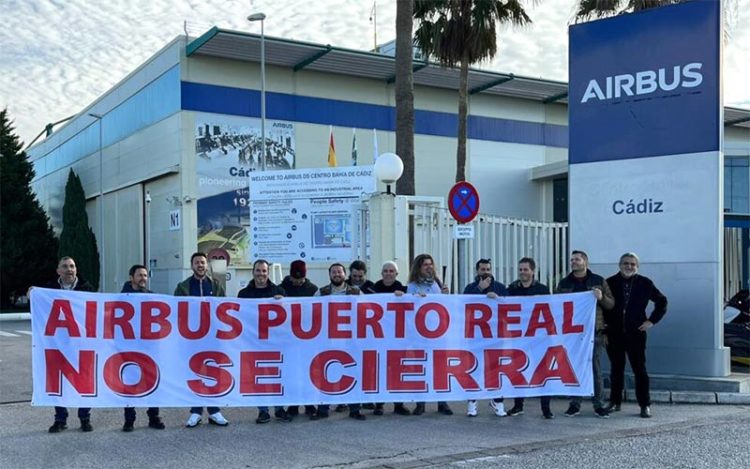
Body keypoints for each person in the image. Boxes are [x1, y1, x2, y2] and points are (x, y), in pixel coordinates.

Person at [605, 253, 668, 418]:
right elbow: (602, 307)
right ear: (619, 265)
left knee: (640, 370)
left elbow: (662, 301)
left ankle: (645, 405)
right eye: (626, 263)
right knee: (616, 369)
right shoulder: (609, 282)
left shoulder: (645, 283)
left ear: (637, 266)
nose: (629, 266)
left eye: (633, 264)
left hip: (636, 333)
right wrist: (604, 329)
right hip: (614, 333)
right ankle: (614, 402)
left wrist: (652, 321)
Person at [555, 250, 615, 418]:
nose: (573, 262)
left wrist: (601, 297)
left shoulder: (598, 281)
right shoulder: (564, 283)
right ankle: (575, 404)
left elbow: (611, 304)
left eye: (577, 259)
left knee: (595, 368)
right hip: (573, 333)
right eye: (572, 260)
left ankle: (598, 404)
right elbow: (556, 305)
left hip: (594, 332)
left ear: (585, 262)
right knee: (575, 368)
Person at [175, 252, 230, 428]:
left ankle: (214, 411)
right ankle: (196, 411)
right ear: (192, 266)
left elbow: (224, 309)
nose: (200, 265)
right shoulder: (183, 286)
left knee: (213, 373)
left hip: (213, 337)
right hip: (191, 338)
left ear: (207, 266)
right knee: (194, 373)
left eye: (203, 263)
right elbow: (177, 309)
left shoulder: (216, 285)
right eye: (197, 262)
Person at [43, 257, 95, 433]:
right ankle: (60, 419)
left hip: (82, 344)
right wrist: (32, 294)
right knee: (58, 382)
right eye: (65, 267)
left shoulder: (87, 289)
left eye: (72, 266)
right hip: (58, 343)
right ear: (58, 271)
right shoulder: (48, 289)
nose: (69, 270)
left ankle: (84, 418)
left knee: (85, 382)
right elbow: (38, 307)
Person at [238, 259, 291, 424]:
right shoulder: (244, 294)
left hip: (275, 342)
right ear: (253, 272)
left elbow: (290, 315)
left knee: (276, 376)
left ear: (268, 273)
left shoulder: (279, 290)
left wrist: (283, 301)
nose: (261, 274)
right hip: (254, 342)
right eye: (258, 271)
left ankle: (279, 409)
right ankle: (263, 411)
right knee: (258, 378)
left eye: (264, 271)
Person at [312, 263, 365, 420]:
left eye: (339, 272)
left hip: (350, 341)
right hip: (328, 341)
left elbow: (365, 311)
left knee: (353, 375)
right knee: (325, 376)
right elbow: (311, 312)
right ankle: (323, 409)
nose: (337, 274)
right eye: (334, 272)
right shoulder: (321, 293)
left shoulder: (356, 292)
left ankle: (354, 409)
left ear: (344, 274)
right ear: (329, 275)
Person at [505, 257, 554, 419]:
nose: (522, 272)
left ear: (533, 271)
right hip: (518, 338)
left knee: (542, 372)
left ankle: (546, 408)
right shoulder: (511, 289)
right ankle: (518, 405)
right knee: (519, 371)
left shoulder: (542, 289)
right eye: (520, 269)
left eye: (525, 269)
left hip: (539, 338)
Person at [406, 254, 453, 416]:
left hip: (439, 334)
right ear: (418, 267)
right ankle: (421, 403)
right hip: (421, 335)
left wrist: (447, 296)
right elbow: (409, 307)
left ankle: (442, 402)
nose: (429, 267)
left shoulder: (438, 284)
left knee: (440, 369)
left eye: (430, 264)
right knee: (422, 368)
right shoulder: (412, 286)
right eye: (425, 265)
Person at [120, 265, 165, 431]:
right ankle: (129, 419)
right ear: (131, 277)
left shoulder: (152, 298)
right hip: (128, 348)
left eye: (145, 275)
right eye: (139, 275)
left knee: (152, 382)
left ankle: (154, 417)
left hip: (149, 348)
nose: (143, 279)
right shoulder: (120, 298)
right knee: (129, 383)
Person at [463, 259, 508, 418]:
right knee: (474, 369)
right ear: (477, 271)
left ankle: (498, 401)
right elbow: (463, 305)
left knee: (495, 369)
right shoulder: (470, 288)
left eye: (488, 268)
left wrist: (498, 299)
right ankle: (472, 402)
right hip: (475, 335)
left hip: (496, 336)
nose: (486, 271)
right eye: (482, 269)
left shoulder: (500, 287)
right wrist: (479, 291)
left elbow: (509, 307)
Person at [280, 260, 318, 418]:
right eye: (296, 279)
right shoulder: (282, 288)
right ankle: (293, 404)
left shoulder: (313, 289)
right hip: (288, 338)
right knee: (292, 373)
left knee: (307, 371)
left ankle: (309, 403)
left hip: (307, 338)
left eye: (301, 279)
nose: (298, 282)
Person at [372, 261, 408, 416]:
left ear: (396, 274)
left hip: (398, 338)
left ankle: (398, 404)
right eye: (385, 271)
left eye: (391, 271)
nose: (388, 273)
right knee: (379, 371)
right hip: (378, 337)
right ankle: (379, 404)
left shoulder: (404, 290)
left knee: (397, 371)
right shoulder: (372, 289)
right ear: (381, 273)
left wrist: (405, 297)